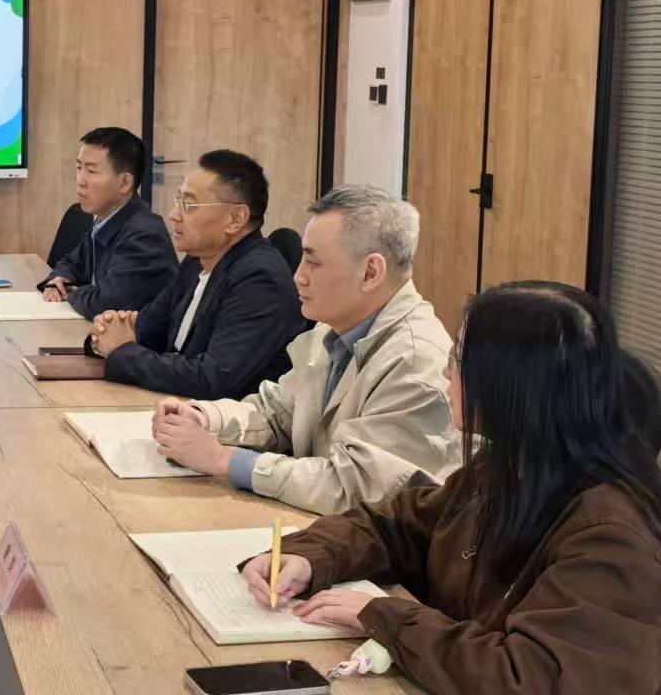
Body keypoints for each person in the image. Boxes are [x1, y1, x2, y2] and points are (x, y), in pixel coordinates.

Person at [240, 283, 661, 695]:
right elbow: (400, 525)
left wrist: (385, 618)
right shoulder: (514, 466)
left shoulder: (614, 535)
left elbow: (537, 686)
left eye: (458, 358)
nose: (444, 371)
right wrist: (311, 557)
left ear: (509, 383)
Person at [151, 184, 457, 514]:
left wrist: (223, 460)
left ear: (370, 272)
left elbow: (355, 489)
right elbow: (278, 412)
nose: (299, 277)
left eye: (313, 262)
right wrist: (205, 418)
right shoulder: (335, 327)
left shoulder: (416, 362)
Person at [89, 149, 304, 399]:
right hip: (175, 405)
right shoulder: (197, 259)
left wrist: (121, 350)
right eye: (178, 200)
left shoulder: (260, 280)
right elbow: (149, 326)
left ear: (236, 218)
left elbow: (212, 379)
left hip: (226, 418)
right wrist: (107, 333)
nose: (173, 214)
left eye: (188, 204)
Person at [38, 126, 173, 319]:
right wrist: (58, 280)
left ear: (125, 183)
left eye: (91, 171)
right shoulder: (106, 220)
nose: (80, 180)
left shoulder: (144, 234)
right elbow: (71, 262)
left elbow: (107, 304)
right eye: (79, 168)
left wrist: (72, 292)